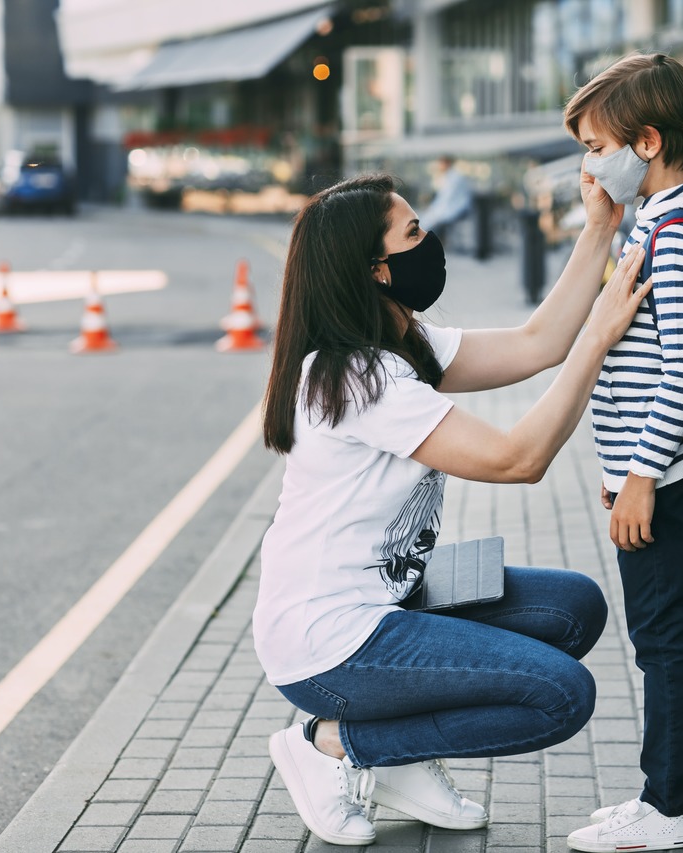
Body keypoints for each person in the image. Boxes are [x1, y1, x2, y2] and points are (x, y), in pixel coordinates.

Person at [256, 171, 648, 846]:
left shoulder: (406, 344)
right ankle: (335, 743)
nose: (430, 241)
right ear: (376, 270)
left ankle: (398, 759)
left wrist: (599, 228)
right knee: (562, 695)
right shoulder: (359, 377)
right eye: (413, 233)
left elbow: (535, 344)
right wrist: (599, 339)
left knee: (574, 606)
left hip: (389, 597)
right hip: (331, 641)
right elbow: (516, 460)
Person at [562, 53, 683, 852]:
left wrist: (638, 478)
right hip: (660, 474)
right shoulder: (661, 224)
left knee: (663, 638)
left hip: (661, 479)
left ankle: (664, 805)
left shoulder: (681, 235)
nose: (590, 164)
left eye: (598, 147)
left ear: (649, 142)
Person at [417, 155, 474, 243]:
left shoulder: (455, 178)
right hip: (452, 208)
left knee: (430, 222)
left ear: (447, 163)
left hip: (457, 209)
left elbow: (447, 200)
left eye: (441, 163)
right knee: (427, 219)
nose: (439, 166)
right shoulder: (450, 177)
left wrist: (434, 211)